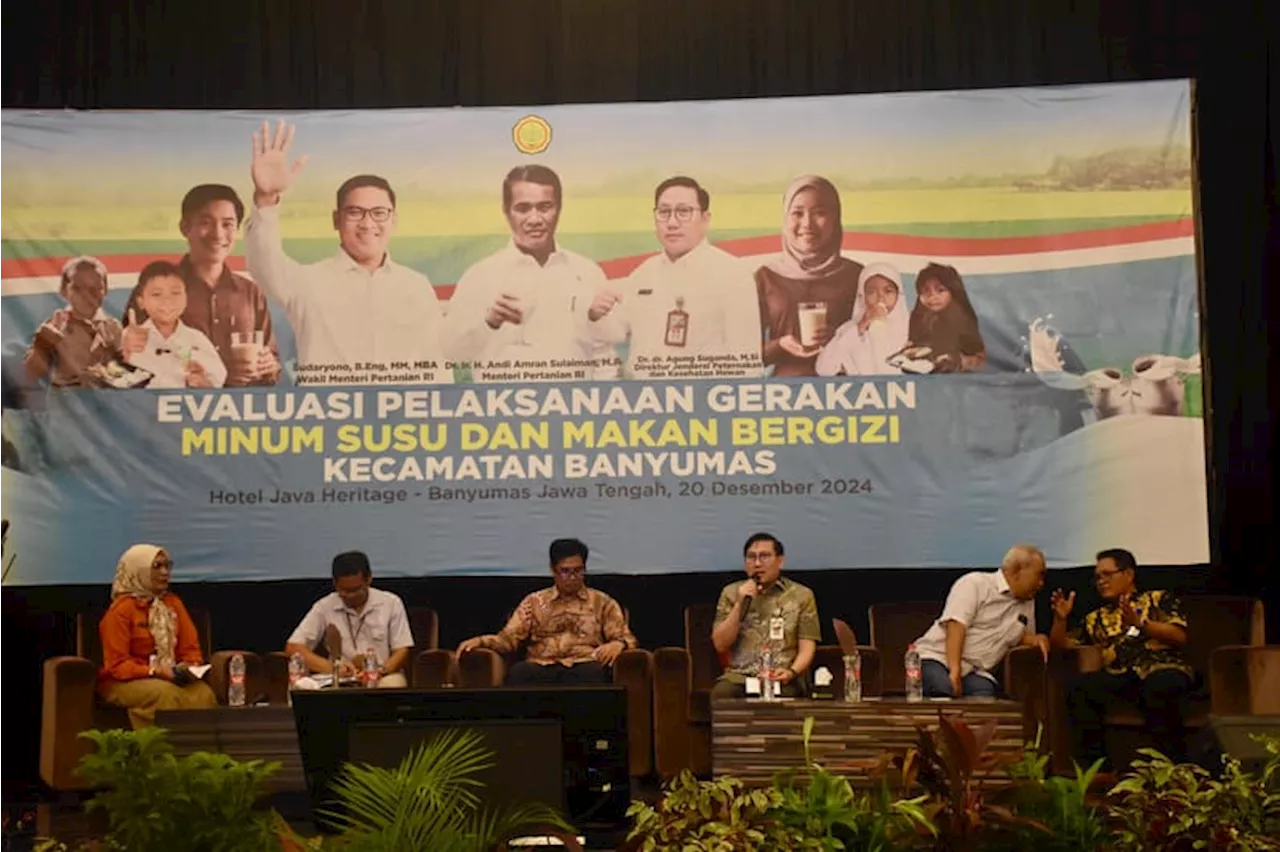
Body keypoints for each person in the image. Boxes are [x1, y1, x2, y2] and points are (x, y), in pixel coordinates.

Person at [244, 120, 448, 383]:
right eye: (355, 212)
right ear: (336, 220)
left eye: (379, 213)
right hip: (329, 419)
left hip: (399, 419)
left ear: (393, 221)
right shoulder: (306, 282)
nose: (367, 223)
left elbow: (436, 365)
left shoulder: (416, 286)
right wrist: (266, 198)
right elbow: (263, 263)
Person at [442, 165, 614, 382]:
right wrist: (489, 322)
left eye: (544, 207)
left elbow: (604, 355)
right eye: (523, 209)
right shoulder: (480, 276)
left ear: (558, 209)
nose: (534, 219)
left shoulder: (587, 272)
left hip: (573, 409)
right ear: (506, 212)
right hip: (503, 410)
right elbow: (451, 353)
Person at [588, 176, 763, 379]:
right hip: (645, 400)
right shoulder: (643, 274)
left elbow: (747, 364)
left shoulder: (733, 274)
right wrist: (595, 314)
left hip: (701, 402)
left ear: (705, 219)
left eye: (684, 212)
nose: (672, 222)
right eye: (664, 212)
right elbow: (616, 332)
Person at [1051, 548, 1193, 767]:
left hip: (1163, 667)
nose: (1101, 581)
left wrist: (1142, 624)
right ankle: (1098, 770)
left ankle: (1172, 769)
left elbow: (1179, 635)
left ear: (1128, 574)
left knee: (1159, 687)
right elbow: (1061, 646)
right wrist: (1060, 620)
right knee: (1079, 688)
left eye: (1108, 574)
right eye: (1098, 577)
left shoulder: (1157, 598)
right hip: (1122, 675)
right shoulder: (1095, 618)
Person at [456, 538, 637, 685]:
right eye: (565, 571)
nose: (572, 578)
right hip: (540, 665)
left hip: (584, 665)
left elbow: (627, 638)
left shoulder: (602, 602)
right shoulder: (534, 602)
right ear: (553, 570)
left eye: (578, 571)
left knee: (593, 674)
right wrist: (480, 641)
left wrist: (619, 644)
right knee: (520, 673)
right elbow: (508, 640)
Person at [97, 544, 217, 728]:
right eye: (157, 567)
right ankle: (159, 755)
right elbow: (117, 665)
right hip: (124, 681)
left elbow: (190, 648)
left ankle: (198, 755)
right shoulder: (121, 610)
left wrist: (189, 666)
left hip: (169, 675)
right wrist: (154, 671)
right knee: (164, 694)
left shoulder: (173, 604)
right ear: (139, 571)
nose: (165, 572)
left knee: (203, 694)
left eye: (167, 566)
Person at [172, 184, 281, 385]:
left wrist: (270, 366)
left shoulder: (250, 292)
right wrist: (215, 374)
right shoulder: (158, 291)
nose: (218, 234)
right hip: (181, 411)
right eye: (206, 222)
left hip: (241, 410)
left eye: (228, 224)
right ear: (185, 227)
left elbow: (272, 360)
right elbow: (141, 364)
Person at [755, 176, 863, 377]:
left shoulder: (857, 276)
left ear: (836, 218)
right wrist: (780, 346)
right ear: (785, 218)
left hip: (846, 394)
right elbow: (743, 356)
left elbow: (878, 346)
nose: (807, 224)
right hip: (785, 393)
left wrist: (840, 339)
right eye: (797, 213)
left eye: (820, 213)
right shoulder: (766, 277)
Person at [915, 544, 1050, 697]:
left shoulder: (1027, 602)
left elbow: (1018, 636)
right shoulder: (975, 584)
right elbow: (956, 625)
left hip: (974, 670)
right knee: (944, 688)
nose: (1041, 584)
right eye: (1039, 575)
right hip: (938, 658)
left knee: (984, 693)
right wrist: (955, 670)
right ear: (1017, 571)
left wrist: (1035, 640)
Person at [710, 533, 820, 699]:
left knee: (784, 696)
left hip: (782, 677)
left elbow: (807, 646)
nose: (757, 563)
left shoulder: (801, 595)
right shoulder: (731, 593)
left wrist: (792, 672)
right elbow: (720, 644)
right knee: (722, 694)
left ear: (780, 561)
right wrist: (739, 605)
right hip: (741, 677)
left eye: (765, 556)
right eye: (751, 557)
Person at [285, 551, 414, 687]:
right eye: (344, 591)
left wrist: (379, 671)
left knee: (392, 685)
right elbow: (293, 647)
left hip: (382, 675)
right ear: (335, 583)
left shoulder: (391, 603)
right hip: (341, 679)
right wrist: (332, 668)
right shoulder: (324, 606)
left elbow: (402, 649)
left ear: (369, 579)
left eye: (357, 590)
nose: (351, 596)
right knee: (303, 686)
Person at [121, 261, 227, 389]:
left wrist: (203, 383)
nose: (167, 300)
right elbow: (108, 380)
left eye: (175, 293)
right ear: (141, 302)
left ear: (186, 297)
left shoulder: (197, 339)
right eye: (157, 294)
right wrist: (125, 353)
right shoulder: (128, 338)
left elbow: (217, 385)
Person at [23, 256, 123, 388]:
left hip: (106, 403)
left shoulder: (113, 327)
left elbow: (124, 372)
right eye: (77, 288)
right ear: (64, 291)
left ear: (106, 290)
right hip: (66, 404)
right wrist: (42, 346)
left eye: (95, 288)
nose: (87, 295)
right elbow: (30, 375)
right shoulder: (54, 327)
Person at [815, 262, 910, 376]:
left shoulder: (912, 327)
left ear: (898, 295)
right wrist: (860, 326)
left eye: (888, 291)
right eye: (871, 292)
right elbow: (824, 370)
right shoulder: (849, 329)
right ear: (862, 296)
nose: (880, 297)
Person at [905, 262, 986, 373]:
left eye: (940, 290)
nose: (932, 296)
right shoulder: (918, 317)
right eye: (926, 291)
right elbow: (915, 346)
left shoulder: (963, 319)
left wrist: (960, 362)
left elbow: (980, 359)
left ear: (953, 292)